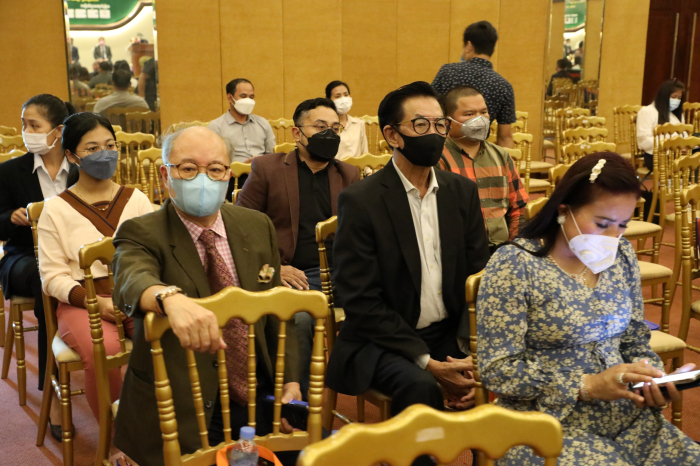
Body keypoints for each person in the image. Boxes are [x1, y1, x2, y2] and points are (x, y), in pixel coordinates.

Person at [477, 152, 700, 465]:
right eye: (602, 224)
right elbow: (496, 370)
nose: (613, 237)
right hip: (544, 423)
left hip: (626, 417)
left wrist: (651, 377)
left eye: (622, 225)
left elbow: (634, 340)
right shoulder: (516, 264)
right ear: (563, 211)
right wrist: (586, 385)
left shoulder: (621, 255)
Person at [111, 126, 302, 466]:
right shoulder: (142, 231)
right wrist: (169, 297)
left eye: (215, 169)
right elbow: (131, 277)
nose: (203, 179)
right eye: (188, 168)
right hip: (184, 401)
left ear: (228, 175)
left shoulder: (257, 225)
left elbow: (275, 311)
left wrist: (289, 379)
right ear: (165, 175)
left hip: (257, 392)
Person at [327, 82, 489, 465]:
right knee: (420, 386)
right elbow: (360, 300)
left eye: (440, 124)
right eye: (420, 125)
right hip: (384, 338)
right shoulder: (362, 201)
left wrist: (469, 353)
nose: (434, 134)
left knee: (506, 372)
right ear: (392, 135)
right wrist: (428, 362)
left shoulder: (461, 192)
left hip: (448, 332)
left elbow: (478, 277)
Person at [237, 97, 360, 397]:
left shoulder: (348, 174)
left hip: (340, 275)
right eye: (320, 127)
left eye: (335, 128)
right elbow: (240, 228)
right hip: (291, 274)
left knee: (393, 297)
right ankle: (296, 404)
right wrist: (276, 268)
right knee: (300, 317)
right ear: (297, 133)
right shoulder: (268, 168)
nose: (329, 134)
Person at [38, 112, 152, 427]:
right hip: (84, 302)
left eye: (110, 145)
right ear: (72, 156)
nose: (105, 154)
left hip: (135, 295)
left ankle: (161, 425)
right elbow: (52, 277)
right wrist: (94, 303)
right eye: (92, 148)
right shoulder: (55, 209)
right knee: (106, 350)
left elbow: (155, 257)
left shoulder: (137, 200)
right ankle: (116, 435)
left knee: (168, 338)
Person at [0, 94, 79, 439]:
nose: (26, 132)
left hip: (71, 256)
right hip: (22, 257)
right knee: (46, 278)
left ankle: (102, 365)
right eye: (24, 125)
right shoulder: (9, 171)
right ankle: (54, 386)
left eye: (34, 125)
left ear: (58, 131)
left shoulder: (80, 169)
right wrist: (12, 218)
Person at [439, 86, 528, 251]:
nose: (479, 119)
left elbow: (518, 208)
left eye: (484, 112)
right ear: (448, 121)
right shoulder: (439, 159)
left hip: (502, 249)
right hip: (459, 251)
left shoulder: (501, 156)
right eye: (469, 114)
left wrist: (513, 247)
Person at [431, 21, 516, 148]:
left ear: (469, 46)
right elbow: (505, 137)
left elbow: (428, 110)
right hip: (478, 151)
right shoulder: (504, 86)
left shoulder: (447, 72)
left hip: (442, 148)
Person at [208, 78, 277, 199]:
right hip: (234, 178)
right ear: (230, 98)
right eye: (243, 96)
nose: (248, 101)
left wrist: (260, 162)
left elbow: (272, 155)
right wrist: (241, 166)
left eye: (251, 97)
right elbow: (213, 161)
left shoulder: (262, 123)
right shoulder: (217, 126)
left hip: (262, 174)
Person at [637, 79, 687, 172]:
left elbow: (684, 135)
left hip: (678, 155)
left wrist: (686, 145)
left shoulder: (676, 114)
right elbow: (644, 141)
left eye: (679, 98)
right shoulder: (647, 112)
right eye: (674, 97)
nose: (676, 101)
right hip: (656, 157)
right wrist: (672, 146)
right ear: (664, 96)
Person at [325, 80, 368, 159]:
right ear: (329, 100)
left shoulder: (359, 123)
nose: (343, 100)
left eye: (346, 95)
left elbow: (365, 153)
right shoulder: (325, 126)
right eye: (337, 96)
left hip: (357, 166)